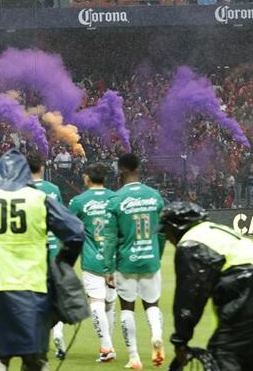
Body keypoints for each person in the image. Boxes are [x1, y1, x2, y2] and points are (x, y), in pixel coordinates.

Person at [0, 149, 85, 370]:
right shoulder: (39, 199)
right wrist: (61, 267)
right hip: (34, 290)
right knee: (34, 358)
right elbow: (76, 233)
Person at [160, 202, 253, 371]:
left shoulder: (191, 243)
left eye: (166, 231)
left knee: (224, 352)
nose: (167, 238)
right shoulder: (214, 230)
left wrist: (180, 341)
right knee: (248, 359)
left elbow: (190, 296)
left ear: (176, 226)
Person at [107, 153, 167, 370]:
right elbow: (162, 232)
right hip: (150, 258)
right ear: (139, 169)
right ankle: (157, 335)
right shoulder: (154, 196)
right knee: (152, 304)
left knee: (127, 308)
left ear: (121, 170)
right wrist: (157, 254)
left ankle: (134, 357)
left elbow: (110, 237)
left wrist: (108, 267)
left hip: (126, 261)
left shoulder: (115, 199)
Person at [68, 162, 118, 363]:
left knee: (96, 301)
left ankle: (106, 346)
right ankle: (109, 344)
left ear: (87, 178)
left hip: (91, 258)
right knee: (110, 302)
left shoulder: (78, 201)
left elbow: (69, 228)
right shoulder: (115, 198)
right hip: (114, 259)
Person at [27, 151, 68, 360]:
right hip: (54, 249)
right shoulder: (53, 190)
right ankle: (58, 333)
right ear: (42, 168)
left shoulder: (21, 191)